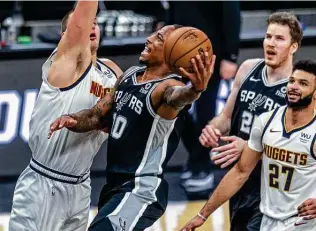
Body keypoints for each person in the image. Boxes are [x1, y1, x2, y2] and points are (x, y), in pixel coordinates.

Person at [48, 25, 216, 230]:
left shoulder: (166, 88)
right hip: (115, 186)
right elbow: (96, 116)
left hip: (141, 189)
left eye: (159, 38)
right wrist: (72, 119)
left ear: (173, 52)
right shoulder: (129, 75)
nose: (149, 39)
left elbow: (179, 97)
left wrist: (195, 90)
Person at [9, 1, 122, 231]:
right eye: (86, 22)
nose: (91, 25)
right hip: (43, 186)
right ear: (65, 36)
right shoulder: (67, 63)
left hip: (81, 186)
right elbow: (82, 18)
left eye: (96, 23)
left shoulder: (111, 72)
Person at [181, 59, 316, 231]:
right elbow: (239, 172)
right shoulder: (266, 120)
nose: (294, 87)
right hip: (268, 220)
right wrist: (202, 215)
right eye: (292, 81)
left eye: (303, 83)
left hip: (304, 224)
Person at [199, 12, 303, 230]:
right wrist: (212, 129)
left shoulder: (298, 88)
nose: (271, 43)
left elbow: (298, 146)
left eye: (279, 39)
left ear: (294, 46)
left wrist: (250, 148)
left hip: (274, 188)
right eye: (268, 37)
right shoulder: (248, 69)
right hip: (239, 182)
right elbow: (226, 117)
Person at [168, 1, 241, 194]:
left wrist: (231, 56)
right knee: (176, 112)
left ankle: (201, 168)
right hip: (179, 58)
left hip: (211, 58)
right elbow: (173, 12)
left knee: (204, 115)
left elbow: (232, 16)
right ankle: (196, 160)